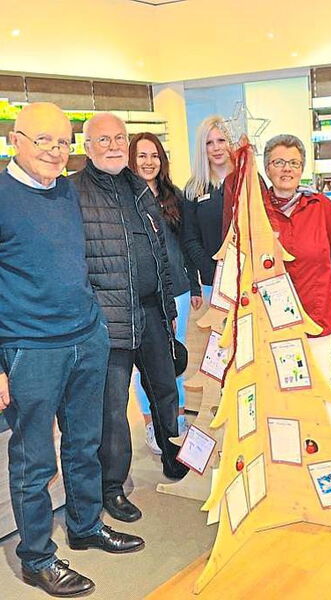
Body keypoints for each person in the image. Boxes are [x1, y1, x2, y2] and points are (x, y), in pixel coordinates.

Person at [0, 103, 143, 598]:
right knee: (33, 459)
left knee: (85, 442)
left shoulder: (65, 191)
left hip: (86, 337)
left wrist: (95, 325)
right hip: (30, 348)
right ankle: (38, 558)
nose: (55, 151)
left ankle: (85, 526)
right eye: (43, 140)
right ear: (15, 140)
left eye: (63, 142)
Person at [71, 112, 188, 524]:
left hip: (151, 311)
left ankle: (173, 454)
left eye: (119, 138)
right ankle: (112, 487)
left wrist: (169, 311)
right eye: (103, 140)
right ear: (87, 147)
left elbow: (159, 256)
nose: (113, 146)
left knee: (165, 390)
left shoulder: (139, 188)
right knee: (113, 409)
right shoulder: (74, 192)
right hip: (108, 320)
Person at [261, 134, 331, 436]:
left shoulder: (321, 207)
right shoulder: (257, 211)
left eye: (294, 163)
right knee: (283, 391)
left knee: (322, 387)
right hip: (273, 322)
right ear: (267, 168)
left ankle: (326, 449)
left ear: (302, 168)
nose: (286, 169)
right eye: (279, 162)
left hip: (318, 316)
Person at [128, 132, 199, 454]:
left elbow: (185, 245)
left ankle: (177, 419)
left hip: (178, 290)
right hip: (144, 295)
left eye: (154, 155)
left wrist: (194, 285)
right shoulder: (124, 197)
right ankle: (151, 423)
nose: (149, 162)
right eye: (142, 155)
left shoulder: (175, 196)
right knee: (146, 362)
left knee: (175, 357)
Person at [182, 115, 234, 301]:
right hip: (213, 283)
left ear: (230, 143)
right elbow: (190, 239)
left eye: (221, 140)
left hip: (250, 278)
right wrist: (213, 273)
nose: (216, 147)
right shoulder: (194, 188)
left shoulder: (248, 180)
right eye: (209, 143)